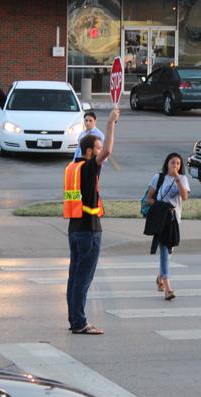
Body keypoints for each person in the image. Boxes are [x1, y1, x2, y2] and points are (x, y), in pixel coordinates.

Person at [64, 107, 120, 334]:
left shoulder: (72, 168)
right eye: (96, 148)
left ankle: (74, 319)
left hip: (75, 228)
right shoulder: (88, 167)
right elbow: (107, 151)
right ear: (89, 152)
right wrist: (111, 123)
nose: (101, 153)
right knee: (83, 279)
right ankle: (79, 322)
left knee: (74, 277)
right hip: (89, 230)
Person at [145, 153, 190, 301]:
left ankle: (159, 278)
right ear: (167, 164)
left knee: (169, 252)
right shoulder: (158, 178)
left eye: (178, 164)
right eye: (172, 163)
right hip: (161, 220)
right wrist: (162, 206)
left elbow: (184, 197)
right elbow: (149, 199)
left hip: (174, 220)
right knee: (164, 251)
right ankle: (168, 288)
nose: (175, 166)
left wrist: (177, 180)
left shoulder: (182, 179)